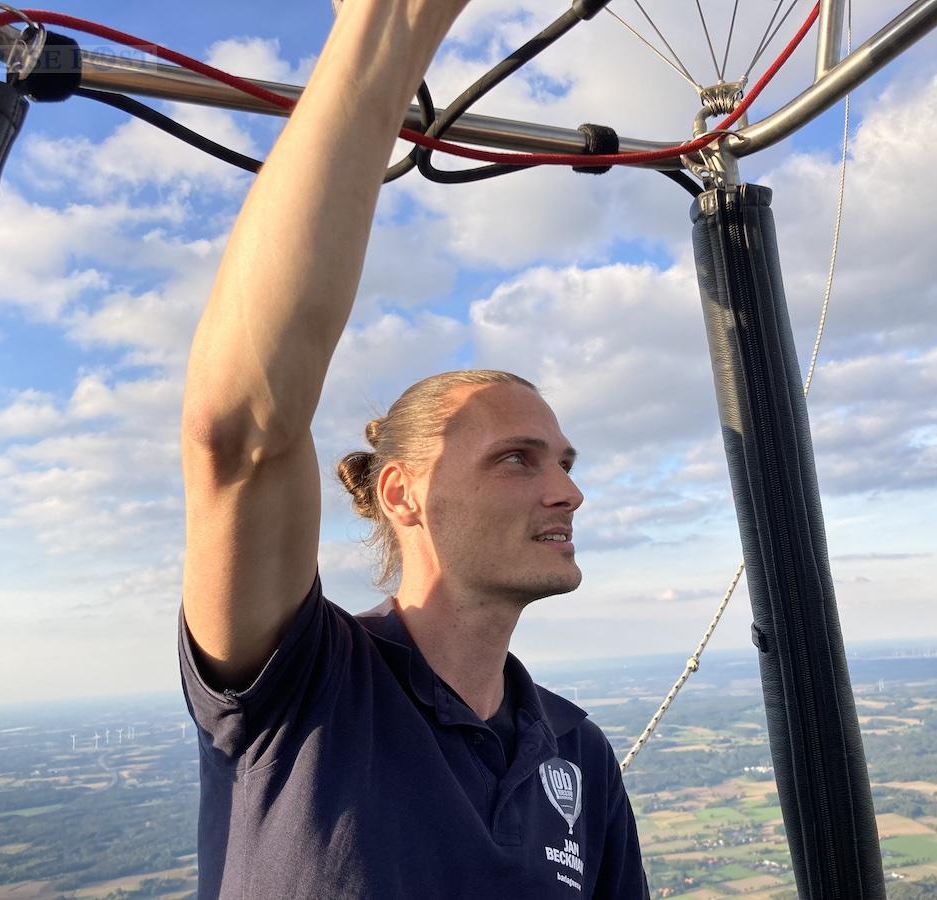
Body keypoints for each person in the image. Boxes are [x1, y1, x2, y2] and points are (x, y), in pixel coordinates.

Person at [177, 1, 649, 897]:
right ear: (402, 494)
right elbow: (239, 436)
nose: (568, 493)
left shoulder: (576, 756)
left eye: (566, 463)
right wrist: (386, 24)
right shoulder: (303, 682)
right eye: (518, 458)